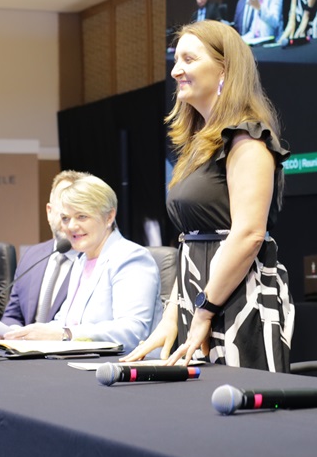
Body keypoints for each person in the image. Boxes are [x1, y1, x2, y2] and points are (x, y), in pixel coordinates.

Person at [125, 20, 293, 370]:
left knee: (237, 416)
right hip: (202, 304)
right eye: (176, 60)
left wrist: (204, 311)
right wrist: (174, 314)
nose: (175, 71)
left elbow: (248, 235)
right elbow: (192, 245)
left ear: (224, 69)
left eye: (188, 59)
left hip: (237, 305)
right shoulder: (198, 147)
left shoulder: (248, 139)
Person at [4, 175, 159, 348]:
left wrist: (65, 335)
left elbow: (133, 331)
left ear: (109, 217)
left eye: (82, 216)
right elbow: (64, 322)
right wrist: (20, 335)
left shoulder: (131, 257)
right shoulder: (81, 260)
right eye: (65, 218)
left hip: (118, 368)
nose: (71, 226)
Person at [1, 170, 86, 328]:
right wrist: (11, 332)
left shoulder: (96, 260)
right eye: (64, 208)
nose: (70, 221)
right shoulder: (32, 255)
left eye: (78, 211)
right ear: (49, 212)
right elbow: (12, 315)